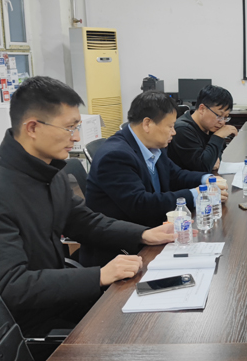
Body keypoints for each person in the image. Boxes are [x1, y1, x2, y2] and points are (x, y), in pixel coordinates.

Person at [0, 76, 175, 337]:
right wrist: (99, 275)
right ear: (32, 128)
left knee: (160, 309)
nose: (75, 137)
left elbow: (85, 222)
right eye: (69, 128)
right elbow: (11, 285)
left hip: (64, 301)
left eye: (77, 127)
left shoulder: (48, 171)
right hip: (31, 328)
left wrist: (143, 234)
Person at [85, 91, 228, 267]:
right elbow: (142, 205)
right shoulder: (115, 156)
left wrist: (206, 180)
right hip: (122, 253)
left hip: (153, 233)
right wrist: (197, 194)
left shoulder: (152, 146)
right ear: (147, 124)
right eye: (170, 126)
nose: (174, 132)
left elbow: (175, 175)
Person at [168, 85, 237, 173]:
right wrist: (218, 136)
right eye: (219, 115)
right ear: (202, 109)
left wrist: (212, 159)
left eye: (226, 117)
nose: (222, 122)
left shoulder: (210, 127)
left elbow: (218, 155)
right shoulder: (182, 129)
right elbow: (203, 167)